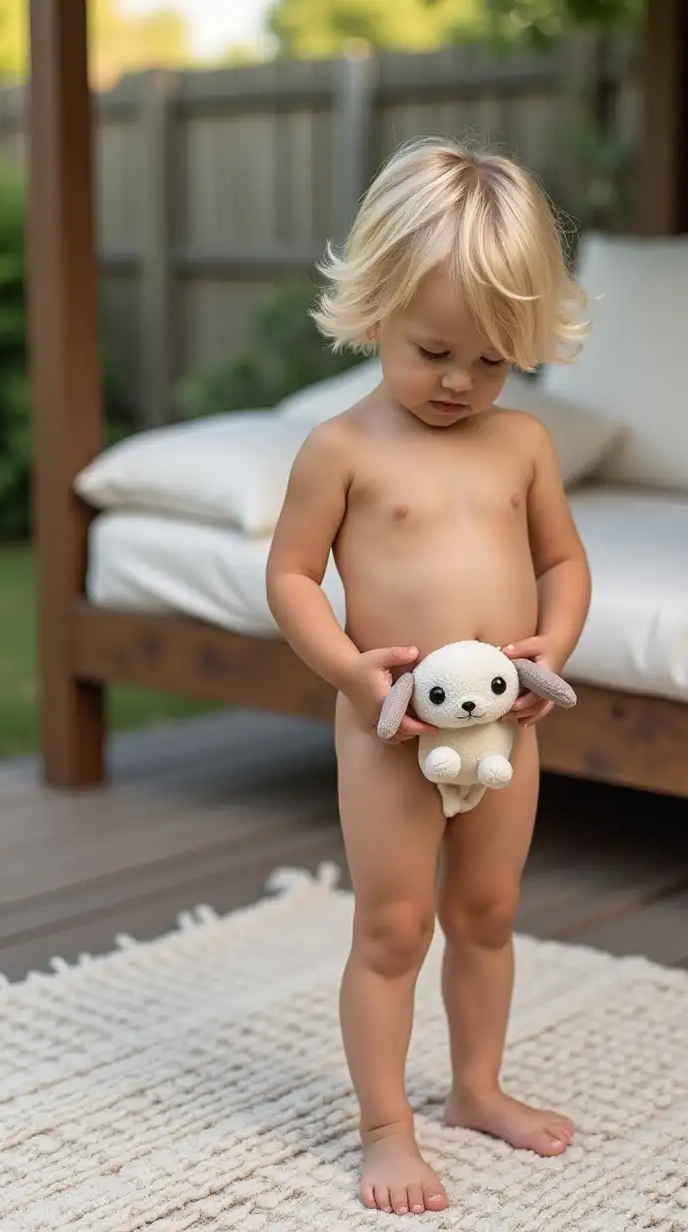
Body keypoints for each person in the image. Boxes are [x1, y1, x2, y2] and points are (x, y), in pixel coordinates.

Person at [266, 135, 591, 1217]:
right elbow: (291, 576)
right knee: (395, 925)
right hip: (391, 730)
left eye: (492, 360)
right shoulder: (340, 447)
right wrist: (356, 677)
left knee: (489, 909)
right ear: (373, 311)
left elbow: (562, 559)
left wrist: (555, 640)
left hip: (508, 729)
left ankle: (476, 1087)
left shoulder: (525, 445)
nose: (460, 381)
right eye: (433, 349)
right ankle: (384, 1126)